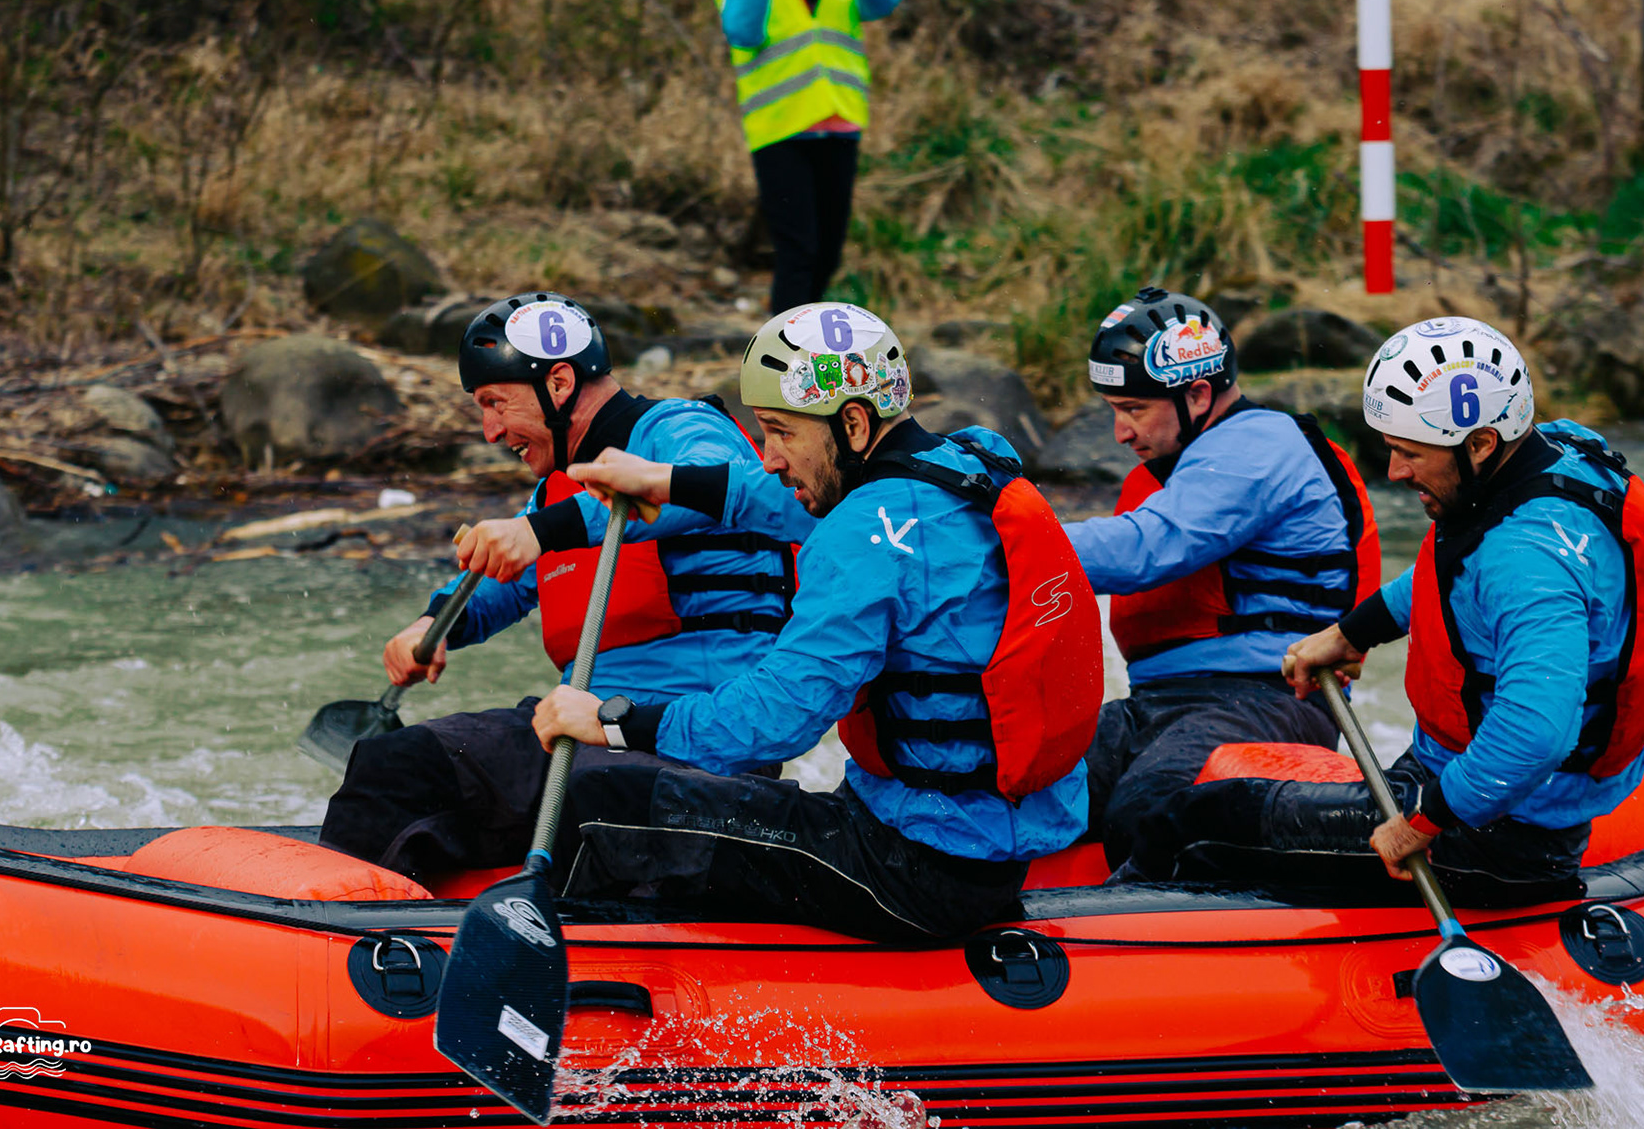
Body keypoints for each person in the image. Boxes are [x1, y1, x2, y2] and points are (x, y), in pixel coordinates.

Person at [534, 302, 1105, 941]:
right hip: (983, 847)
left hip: (914, 870)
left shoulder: (862, 536)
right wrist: (666, 479)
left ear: (853, 423)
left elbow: (777, 720)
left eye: (781, 433)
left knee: (603, 803)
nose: (770, 458)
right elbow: (781, 500)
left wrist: (613, 721)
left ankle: (580, 972)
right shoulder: (967, 469)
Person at [1122, 316, 1644, 908]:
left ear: (1480, 444)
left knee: (1194, 820)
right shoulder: (1546, 459)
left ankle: (1115, 936)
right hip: (1463, 779)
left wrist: (1424, 823)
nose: (1395, 472)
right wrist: (1352, 632)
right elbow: (1455, 573)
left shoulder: (1528, 562)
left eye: (1409, 453)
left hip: (1497, 832)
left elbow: (1534, 734)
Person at [318, 292, 792, 880]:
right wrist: (433, 624)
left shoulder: (682, 428)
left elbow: (715, 485)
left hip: (694, 740)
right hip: (577, 726)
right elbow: (504, 582)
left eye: (495, 404)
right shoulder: (557, 491)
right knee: (399, 762)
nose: (491, 432)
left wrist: (539, 531)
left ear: (560, 384)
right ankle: (340, 919)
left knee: (595, 796)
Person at [1063, 287, 1380, 868]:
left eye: (1133, 410)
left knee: (1147, 810)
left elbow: (1147, 548)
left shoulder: (1259, 445)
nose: (1120, 434)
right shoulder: (1185, 462)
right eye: (1114, 411)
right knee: (1030, 777)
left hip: (1268, 700)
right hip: (1160, 702)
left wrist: (1002, 541)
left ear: (1198, 394)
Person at [714, 0, 902, 314]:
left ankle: (809, 334)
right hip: (780, 129)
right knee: (797, 250)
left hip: (839, 122)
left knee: (829, 251)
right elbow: (741, 32)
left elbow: (886, 2)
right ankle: (783, 343)